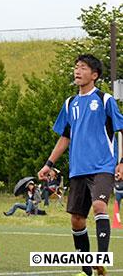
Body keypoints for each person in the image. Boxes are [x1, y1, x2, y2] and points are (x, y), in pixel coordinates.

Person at [38, 54, 123, 276]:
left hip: (103, 167)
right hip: (78, 168)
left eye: (83, 68)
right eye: (76, 67)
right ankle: (86, 270)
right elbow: (65, 137)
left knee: (99, 206)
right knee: (77, 220)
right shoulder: (69, 103)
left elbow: (120, 130)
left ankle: (101, 260)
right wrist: (49, 163)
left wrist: (121, 162)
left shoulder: (105, 100)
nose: (77, 71)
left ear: (94, 75)